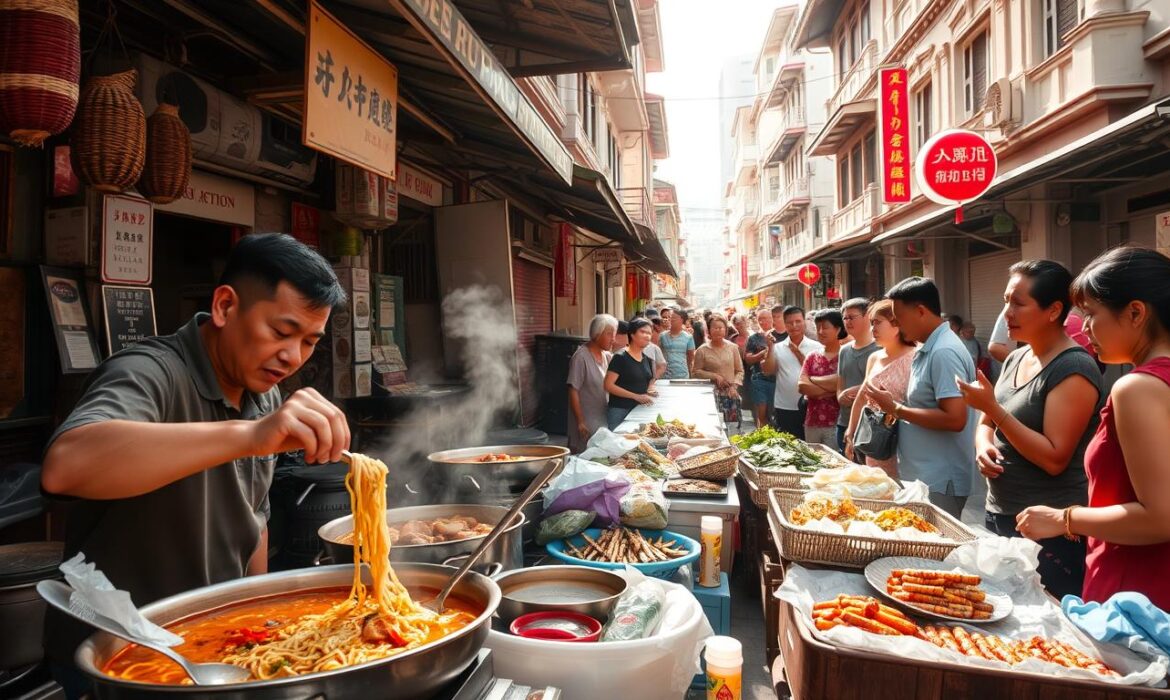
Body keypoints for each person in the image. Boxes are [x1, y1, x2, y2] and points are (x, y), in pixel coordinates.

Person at [40, 234, 350, 691]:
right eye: (281, 332)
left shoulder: (265, 396)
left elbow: (254, 519)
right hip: (116, 655)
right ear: (225, 306)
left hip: (211, 647)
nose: (292, 356)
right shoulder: (150, 371)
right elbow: (65, 465)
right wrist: (250, 437)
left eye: (309, 341)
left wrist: (259, 615)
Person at [1016, 247, 1170, 610]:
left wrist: (1063, 518)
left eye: (1091, 314)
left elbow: (1160, 516)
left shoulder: (1138, 388)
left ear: (1135, 312)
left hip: (1140, 594)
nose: (1084, 328)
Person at [956, 260, 1101, 598]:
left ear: (1053, 310)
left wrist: (993, 408)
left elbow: (1054, 458)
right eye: (1007, 300)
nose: (1007, 312)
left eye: (1018, 303)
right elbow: (986, 422)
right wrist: (983, 446)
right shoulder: (1016, 358)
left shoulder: (1073, 367)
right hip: (1001, 512)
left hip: (1048, 528)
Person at [870, 277, 976, 519]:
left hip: (939, 480)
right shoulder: (928, 347)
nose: (895, 323)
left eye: (899, 317)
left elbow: (955, 418)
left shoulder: (943, 352)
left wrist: (895, 408)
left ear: (920, 311)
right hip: (924, 476)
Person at [845, 300, 915, 478]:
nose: (872, 329)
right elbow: (862, 397)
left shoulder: (916, 357)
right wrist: (851, 431)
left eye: (877, 323)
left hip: (903, 441)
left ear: (896, 323)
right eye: (871, 323)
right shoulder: (874, 358)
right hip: (874, 439)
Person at [762, 306, 823, 439]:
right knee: (789, 447)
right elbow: (768, 371)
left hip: (811, 406)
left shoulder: (817, 347)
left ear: (804, 322)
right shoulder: (777, 348)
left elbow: (817, 374)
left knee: (810, 447)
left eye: (798, 321)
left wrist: (798, 354)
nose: (794, 326)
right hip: (784, 406)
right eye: (790, 322)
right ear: (784, 324)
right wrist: (770, 348)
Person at [567, 314, 617, 453]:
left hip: (603, 416)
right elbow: (573, 389)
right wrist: (580, 421)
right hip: (586, 420)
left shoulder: (607, 356)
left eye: (614, 334)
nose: (613, 339)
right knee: (586, 456)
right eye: (609, 334)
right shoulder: (581, 357)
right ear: (597, 334)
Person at [837, 298, 880, 455]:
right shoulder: (844, 350)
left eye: (852, 317)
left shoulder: (880, 349)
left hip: (870, 424)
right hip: (844, 421)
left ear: (867, 316)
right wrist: (841, 396)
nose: (847, 321)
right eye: (845, 318)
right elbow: (840, 385)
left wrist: (860, 390)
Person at [799, 310, 846, 446]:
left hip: (838, 422)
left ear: (838, 329)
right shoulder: (812, 356)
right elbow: (802, 386)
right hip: (812, 421)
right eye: (817, 327)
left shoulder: (846, 354)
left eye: (825, 327)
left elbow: (841, 382)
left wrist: (812, 379)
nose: (820, 331)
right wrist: (831, 390)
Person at [604, 318, 657, 429]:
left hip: (640, 411)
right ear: (632, 334)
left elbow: (648, 380)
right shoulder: (620, 357)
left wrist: (650, 390)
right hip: (620, 411)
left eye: (649, 333)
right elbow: (608, 385)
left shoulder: (647, 359)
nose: (647, 336)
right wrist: (635, 396)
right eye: (643, 332)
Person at [692, 314, 745, 422]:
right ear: (709, 330)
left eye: (721, 328)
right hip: (709, 395)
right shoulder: (702, 350)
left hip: (730, 395)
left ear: (725, 330)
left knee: (731, 430)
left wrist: (734, 386)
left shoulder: (733, 348)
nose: (718, 330)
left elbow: (740, 371)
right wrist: (714, 376)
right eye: (715, 328)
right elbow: (695, 372)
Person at [745, 308, 779, 428]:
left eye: (766, 318)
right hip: (759, 379)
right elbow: (748, 359)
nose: (763, 321)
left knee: (776, 413)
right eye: (760, 319)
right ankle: (763, 436)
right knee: (762, 413)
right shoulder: (754, 338)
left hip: (777, 379)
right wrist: (764, 352)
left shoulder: (779, 336)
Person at [659, 309, 695, 379]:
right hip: (665, 376)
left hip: (682, 376)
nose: (671, 319)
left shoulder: (688, 337)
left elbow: (690, 358)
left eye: (674, 318)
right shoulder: (662, 336)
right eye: (670, 317)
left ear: (682, 320)